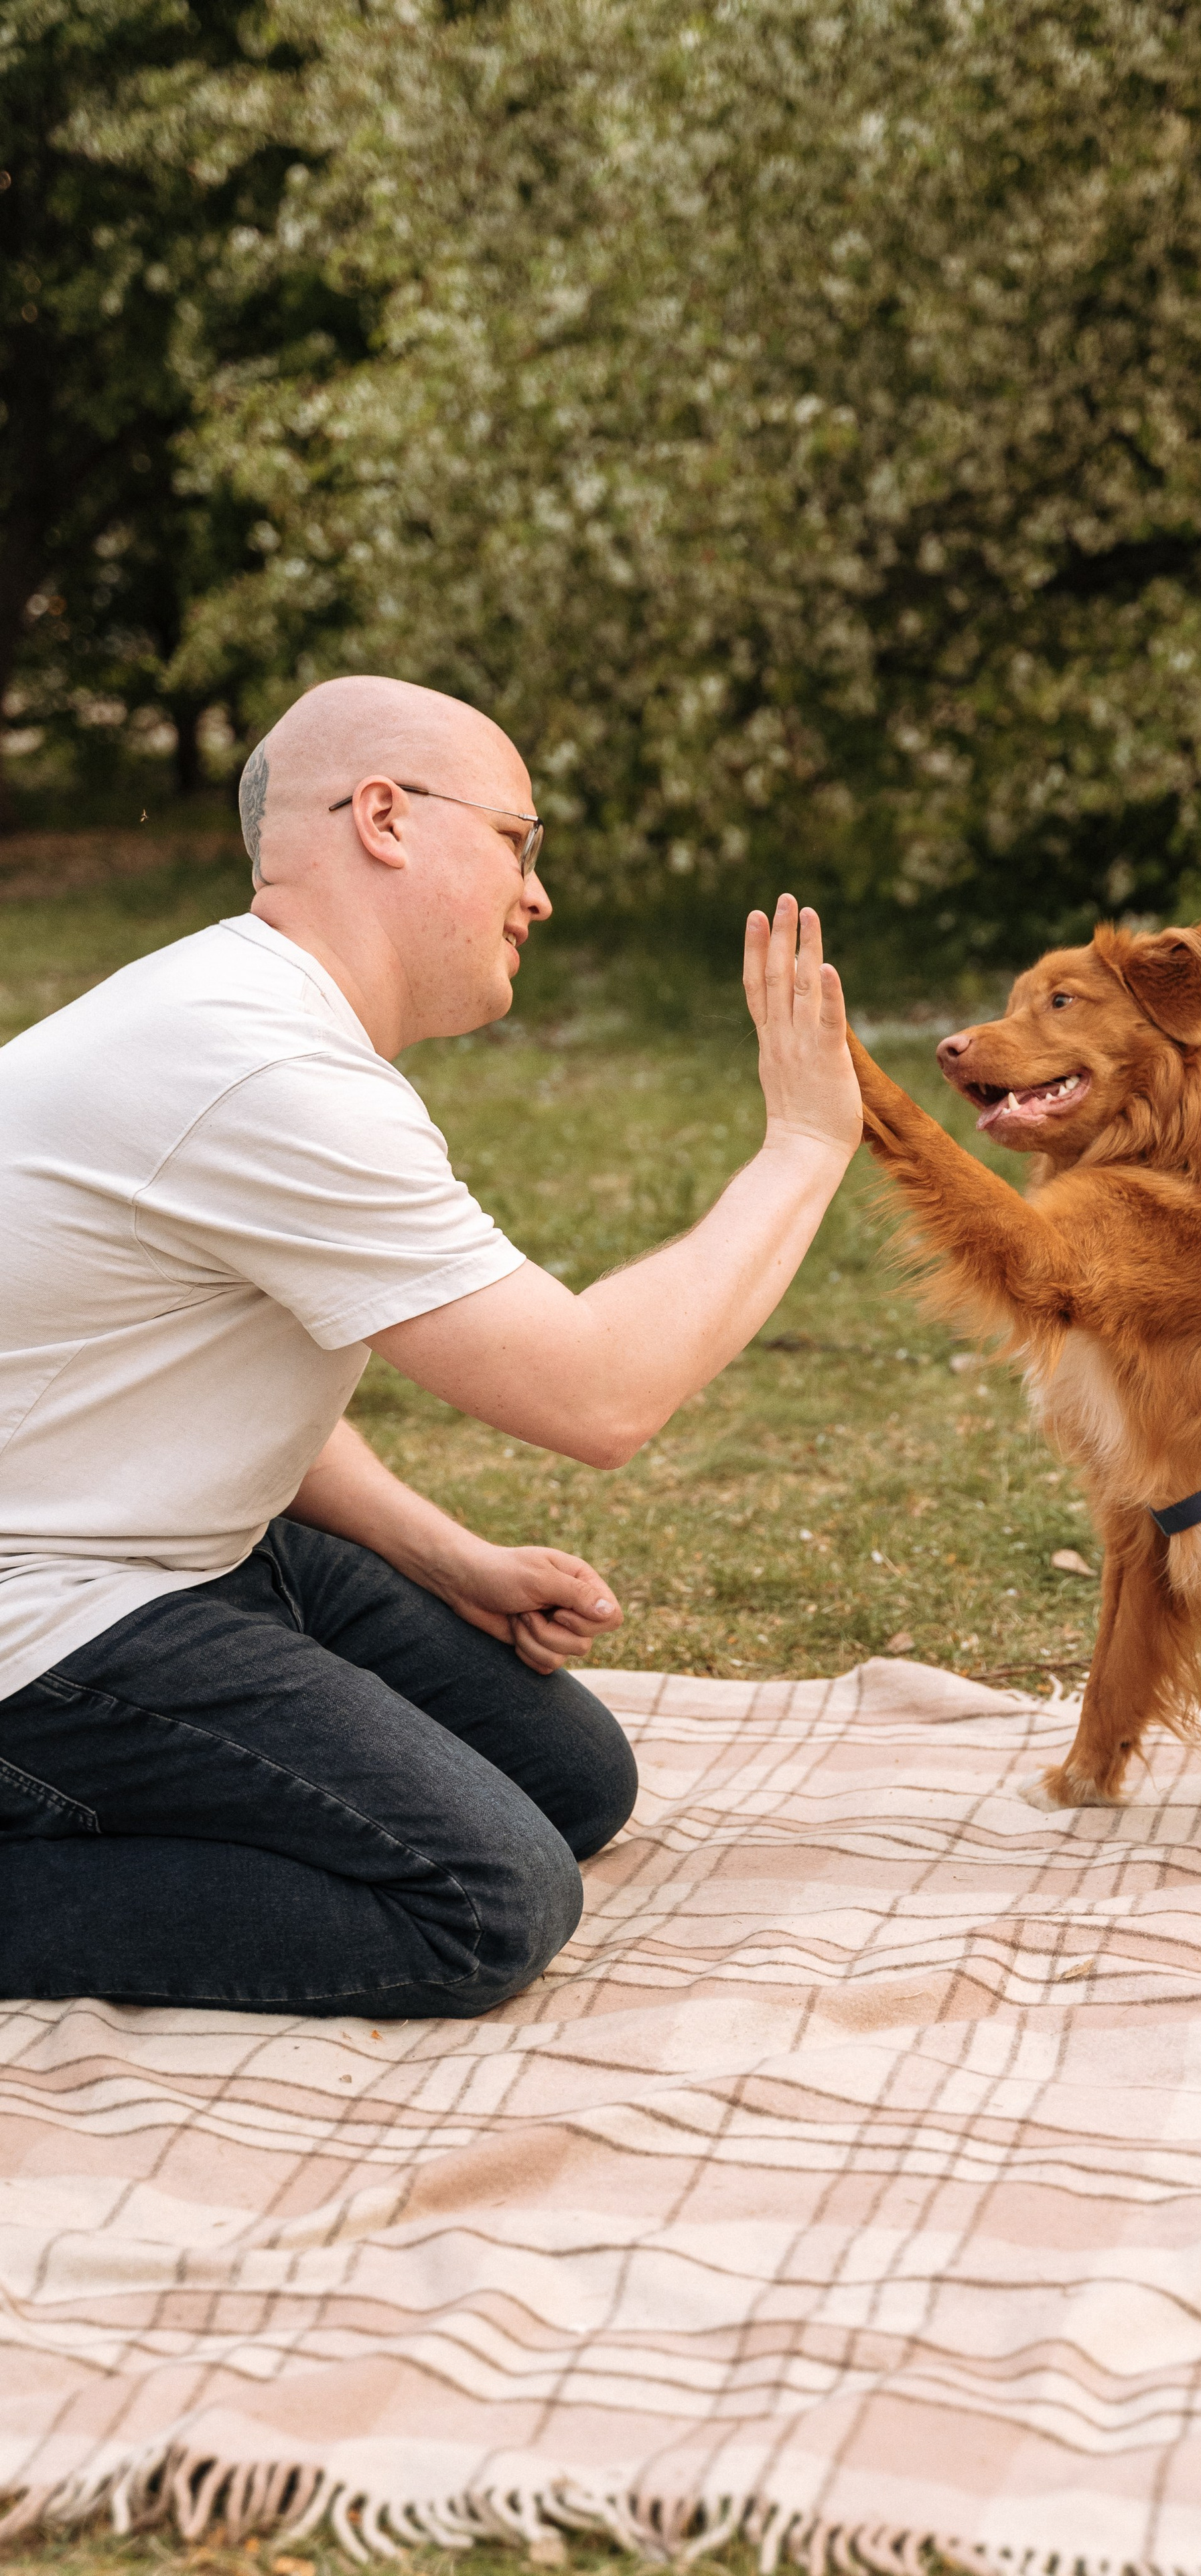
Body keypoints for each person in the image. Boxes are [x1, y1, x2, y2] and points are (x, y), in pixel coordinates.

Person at [0, 675, 862, 2019]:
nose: (539, 895)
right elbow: (600, 1396)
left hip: (173, 1547)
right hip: (42, 1617)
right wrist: (805, 1148)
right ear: (386, 819)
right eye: (521, 844)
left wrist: (438, 1551)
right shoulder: (256, 1069)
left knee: (574, 1782)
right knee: (483, 1897)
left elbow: (205, 1373)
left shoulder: (260, 1027)